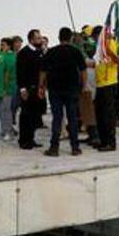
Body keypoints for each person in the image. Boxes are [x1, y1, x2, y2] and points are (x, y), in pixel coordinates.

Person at [40, 27, 87, 156]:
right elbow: (83, 70)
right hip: (72, 89)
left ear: (59, 37)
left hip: (55, 89)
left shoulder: (51, 52)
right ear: (71, 37)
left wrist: (41, 86)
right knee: (72, 118)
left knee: (57, 118)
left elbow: (43, 71)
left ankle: (54, 148)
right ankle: (75, 147)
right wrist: (83, 85)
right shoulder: (76, 51)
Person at [16, 30, 46, 150]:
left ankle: (31, 138)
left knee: (35, 114)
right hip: (28, 88)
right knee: (26, 114)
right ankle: (24, 140)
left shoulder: (39, 52)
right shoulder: (24, 53)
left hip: (37, 88)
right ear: (31, 40)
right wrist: (22, 88)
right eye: (38, 38)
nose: (40, 40)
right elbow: (20, 72)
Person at [93, 29, 119, 152]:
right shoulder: (98, 47)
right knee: (100, 114)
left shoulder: (110, 43)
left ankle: (110, 142)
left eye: (95, 36)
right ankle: (103, 140)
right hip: (99, 84)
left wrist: (108, 51)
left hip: (109, 83)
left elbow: (118, 61)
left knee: (108, 115)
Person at [0, 36, 21, 142]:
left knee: (6, 110)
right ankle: (5, 129)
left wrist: (4, 87)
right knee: (4, 110)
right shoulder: (5, 56)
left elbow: (7, 73)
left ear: (9, 46)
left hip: (8, 87)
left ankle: (8, 131)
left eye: (3, 45)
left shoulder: (9, 57)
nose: (1, 47)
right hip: (5, 86)